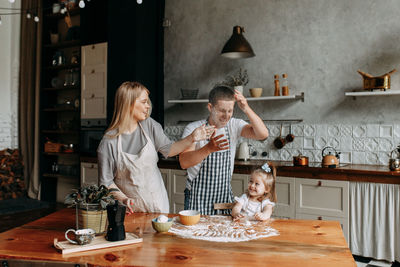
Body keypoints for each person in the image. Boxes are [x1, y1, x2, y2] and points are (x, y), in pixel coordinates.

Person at [97, 81, 214, 214]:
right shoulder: (108, 142)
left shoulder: (149, 125)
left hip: (158, 204)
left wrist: (192, 137)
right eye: (144, 102)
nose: (148, 106)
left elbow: (169, 150)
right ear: (129, 104)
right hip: (130, 210)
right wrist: (123, 199)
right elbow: (106, 182)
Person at [179, 85, 269, 215]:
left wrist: (246, 108)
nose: (226, 116)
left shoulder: (234, 125)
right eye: (222, 111)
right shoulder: (193, 128)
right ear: (210, 107)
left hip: (223, 198)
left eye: (230, 111)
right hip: (196, 199)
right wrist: (208, 149)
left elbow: (263, 134)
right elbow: (184, 162)